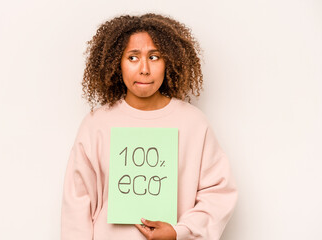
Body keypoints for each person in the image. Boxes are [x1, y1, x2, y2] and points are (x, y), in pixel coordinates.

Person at [61, 13, 238, 240]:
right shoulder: (96, 125)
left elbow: (218, 193)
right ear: (117, 63)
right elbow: (76, 203)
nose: (144, 68)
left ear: (169, 62)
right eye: (133, 58)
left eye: (154, 57)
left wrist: (178, 232)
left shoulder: (194, 123)